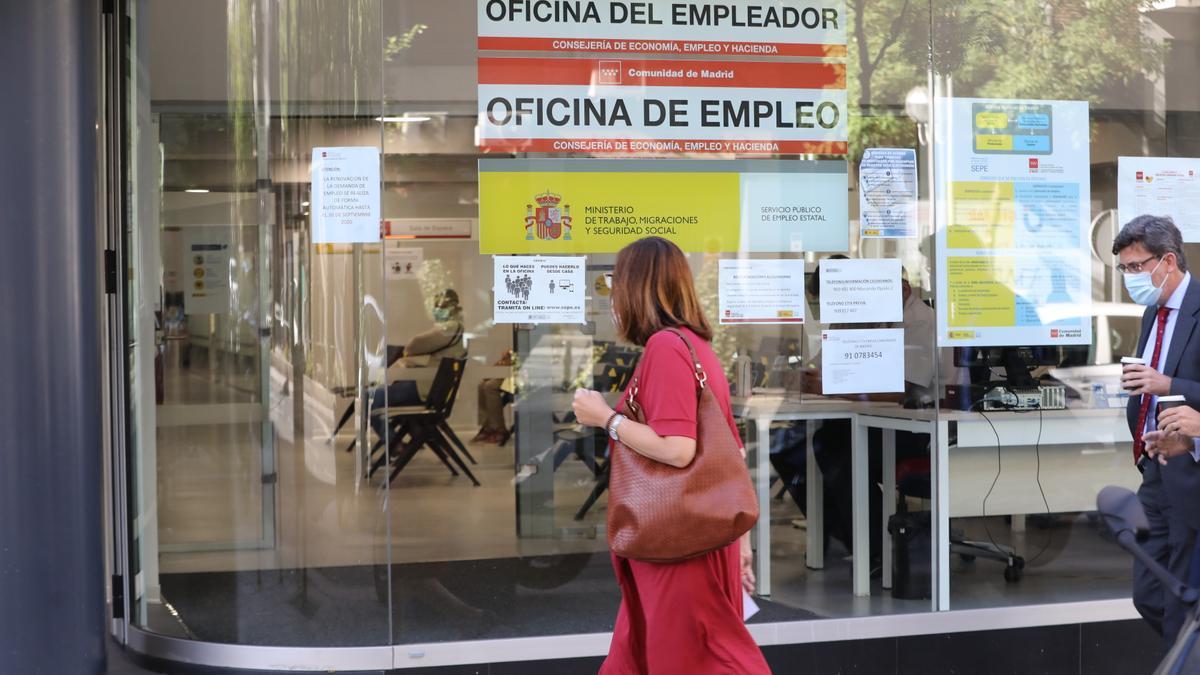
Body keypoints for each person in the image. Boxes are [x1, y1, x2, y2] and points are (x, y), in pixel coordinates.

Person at [571, 237, 770, 675]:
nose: (612, 296)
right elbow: (729, 450)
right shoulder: (697, 347)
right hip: (697, 533)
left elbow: (679, 450)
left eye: (614, 282)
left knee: (684, 655)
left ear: (636, 287)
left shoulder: (665, 348)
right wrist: (740, 542)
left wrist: (605, 418)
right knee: (666, 650)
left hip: (678, 540)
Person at [1113, 215, 1200, 644]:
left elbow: (1169, 383)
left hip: (1192, 473)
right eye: (1124, 269)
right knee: (1148, 594)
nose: (1131, 278)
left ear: (1168, 260)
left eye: (1136, 267)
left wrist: (1169, 385)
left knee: (1183, 604)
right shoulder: (1153, 312)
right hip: (1154, 468)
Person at [371, 289, 467, 442]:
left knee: (372, 398)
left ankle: (392, 443)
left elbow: (416, 344)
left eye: (440, 306)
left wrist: (408, 351)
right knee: (379, 393)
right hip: (432, 387)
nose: (437, 310)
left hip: (426, 389)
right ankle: (415, 437)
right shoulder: (455, 327)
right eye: (435, 306)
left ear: (452, 307)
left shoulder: (449, 327)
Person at [472, 349, 513, 444]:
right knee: (482, 385)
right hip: (512, 371)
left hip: (524, 375)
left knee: (489, 386)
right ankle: (488, 427)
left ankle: (498, 429)